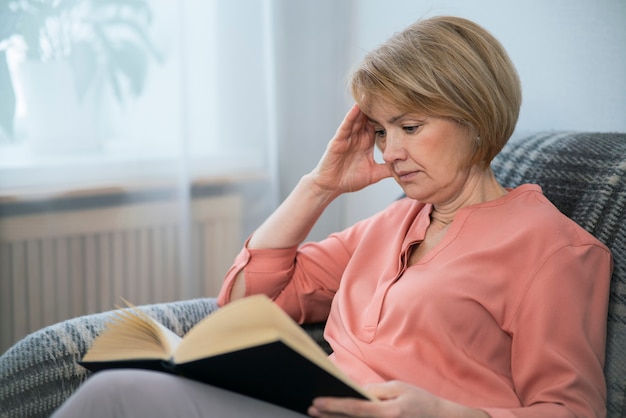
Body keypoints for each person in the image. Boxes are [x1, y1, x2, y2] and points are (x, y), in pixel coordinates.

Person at [52, 15, 612, 418]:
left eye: (409, 127)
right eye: (380, 131)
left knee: (118, 396)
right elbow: (247, 305)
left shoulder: (553, 249)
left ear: (478, 119)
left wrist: (443, 412)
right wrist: (317, 187)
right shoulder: (395, 223)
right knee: (118, 389)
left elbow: (570, 409)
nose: (390, 151)